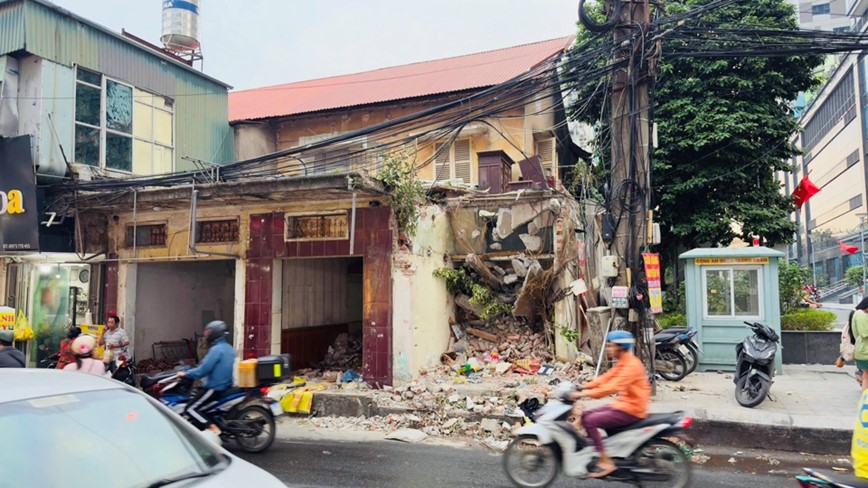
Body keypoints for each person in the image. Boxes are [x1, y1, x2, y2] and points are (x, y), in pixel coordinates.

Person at [569, 330, 651, 478]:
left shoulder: (631, 365)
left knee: (591, 420)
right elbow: (606, 378)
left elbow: (611, 387)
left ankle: (606, 461)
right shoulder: (624, 361)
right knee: (586, 414)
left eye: (610, 345)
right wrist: (584, 386)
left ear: (620, 347)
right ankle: (595, 449)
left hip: (632, 409)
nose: (607, 348)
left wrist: (583, 394)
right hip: (623, 404)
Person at [177, 321, 236, 435]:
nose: (206, 336)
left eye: (208, 333)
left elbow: (202, 371)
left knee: (190, 408)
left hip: (214, 388)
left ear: (214, 333)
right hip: (226, 386)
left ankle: (212, 427)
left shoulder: (216, 350)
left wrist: (185, 374)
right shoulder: (228, 348)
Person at [853, 298, 868, 391]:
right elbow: (864, 333)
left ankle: (865, 399)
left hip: (861, 350)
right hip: (865, 351)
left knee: (866, 375)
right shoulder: (861, 315)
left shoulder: (857, 313)